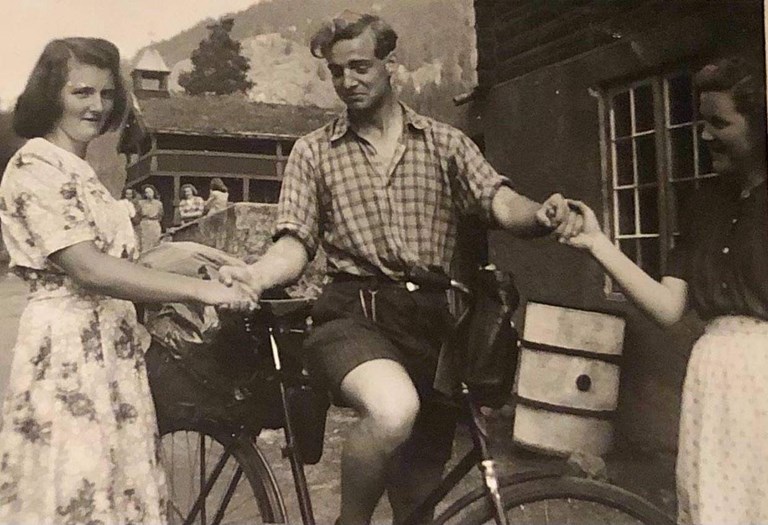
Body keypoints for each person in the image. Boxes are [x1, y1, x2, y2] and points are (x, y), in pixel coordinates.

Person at [218, 12, 582, 525]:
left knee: (417, 504)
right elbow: (294, 241)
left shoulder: (444, 143)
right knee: (392, 412)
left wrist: (541, 215)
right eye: (337, 72)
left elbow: (499, 202)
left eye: (361, 67)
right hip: (352, 317)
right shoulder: (314, 152)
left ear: (392, 64)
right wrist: (256, 275)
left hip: (437, 329)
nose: (349, 82)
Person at [0, 37, 251, 524]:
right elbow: (89, 268)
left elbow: (126, 260)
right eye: (82, 93)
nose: (97, 106)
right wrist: (200, 290)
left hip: (113, 345)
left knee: (116, 485)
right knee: (76, 484)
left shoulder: (82, 170)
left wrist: (204, 261)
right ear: (51, 94)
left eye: (107, 94)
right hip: (70, 351)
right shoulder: (33, 166)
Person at [564, 55, 767, 525]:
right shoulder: (706, 204)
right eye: (702, 121)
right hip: (713, 381)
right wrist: (597, 243)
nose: (705, 134)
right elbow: (669, 307)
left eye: (720, 122)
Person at [137, 183, 163, 251]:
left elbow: (161, 215)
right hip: (145, 223)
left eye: (150, 192)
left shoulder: (158, 203)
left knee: (155, 240)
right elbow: (139, 214)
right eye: (147, 192)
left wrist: (155, 220)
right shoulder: (141, 203)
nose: (149, 194)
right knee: (145, 241)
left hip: (154, 223)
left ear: (154, 192)